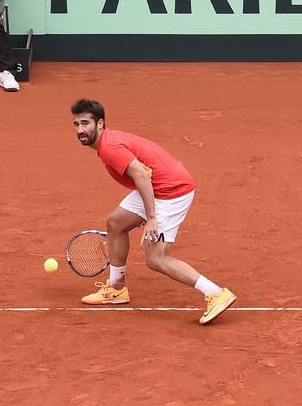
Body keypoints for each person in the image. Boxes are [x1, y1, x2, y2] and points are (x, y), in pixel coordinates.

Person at [70, 99, 237, 325]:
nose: (80, 130)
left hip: (171, 190)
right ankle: (117, 288)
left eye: (86, 123)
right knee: (116, 222)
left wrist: (151, 218)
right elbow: (143, 175)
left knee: (156, 258)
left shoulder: (109, 147)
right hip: (158, 184)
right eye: (77, 124)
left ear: (100, 124)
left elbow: (141, 175)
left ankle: (216, 293)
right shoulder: (107, 143)